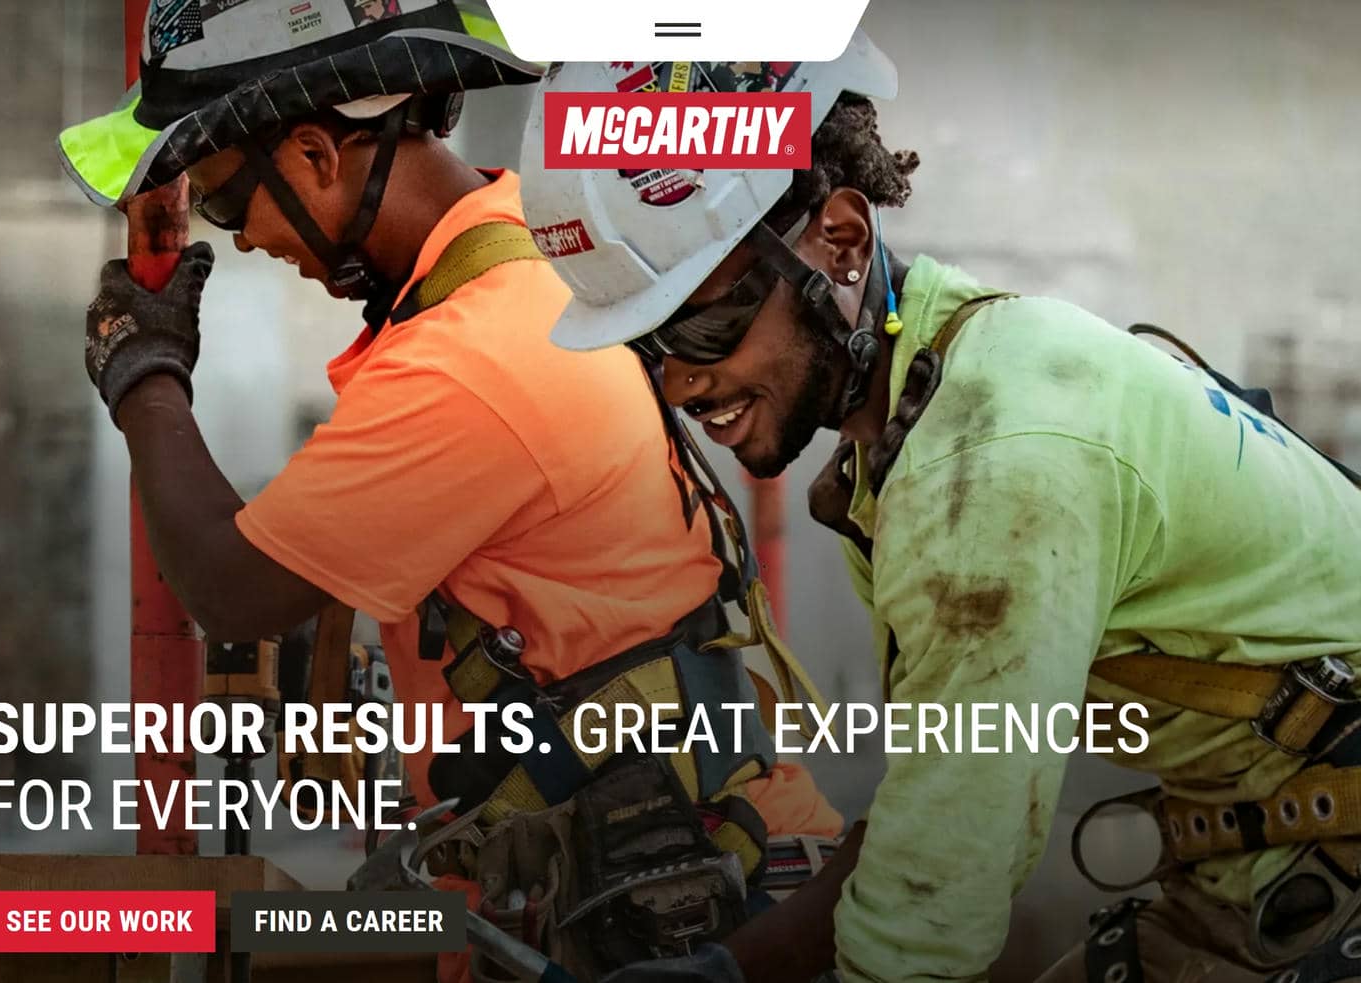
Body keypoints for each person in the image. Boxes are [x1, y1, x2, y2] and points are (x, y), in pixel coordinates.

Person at [520, 33, 1361, 983]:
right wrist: (734, 971)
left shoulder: (992, 469)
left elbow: (931, 919)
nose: (683, 381)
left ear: (842, 239)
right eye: (646, 348)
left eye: (704, 325)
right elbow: (929, 807)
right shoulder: (939, 391)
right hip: (1285, 864)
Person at [59, 2, 840, 980]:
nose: (245, 239)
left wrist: (143, 370)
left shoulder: (466, 361)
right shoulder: (512, 253)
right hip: (644, 874)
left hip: (675, 911)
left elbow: (232, 588)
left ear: (314, 155)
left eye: (225, 199)